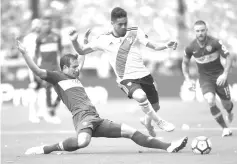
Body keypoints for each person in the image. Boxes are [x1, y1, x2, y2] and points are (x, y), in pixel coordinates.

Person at [16, 39, 188, 155]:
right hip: (82, 118)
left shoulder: (74, 77)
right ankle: (46, 149)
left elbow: (82, 58)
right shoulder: (57, 77)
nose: (77, 69)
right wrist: (25, 54)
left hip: (96, 119)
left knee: (131, 131)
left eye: (77, 66)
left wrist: (82, 44)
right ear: (64, 68)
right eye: (73, 67)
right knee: (83, 142)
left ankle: (169, 146)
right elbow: (38, 71)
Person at [70, 7, 178, 137]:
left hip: (144, 75)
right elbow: (81, 51)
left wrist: (166, 45)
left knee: (155, 107)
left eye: (125, 23)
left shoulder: (134, 31)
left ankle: (147, 123)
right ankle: (160, 122)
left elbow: (153, 46)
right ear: (112, 23)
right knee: (141, 97)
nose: (123, 26)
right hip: (125, 79)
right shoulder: (103, 39)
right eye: (119, 24)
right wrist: (74, 41)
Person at [182, 20, 234, 137]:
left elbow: (228, 57)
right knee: (210, 100)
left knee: (227, 105)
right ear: (194, 32)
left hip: (219, 76)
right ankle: (225, 128)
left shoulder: (215, 42)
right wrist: (188, 79)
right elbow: (184, 63)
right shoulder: (190, 47)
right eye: (198, 31)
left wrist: (225, 74)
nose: (200, 33)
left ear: (206, 30)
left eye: (202, 30)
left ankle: (230, 111)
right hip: (205, 78)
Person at [34, 16, 63, 124]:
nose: (47, 26)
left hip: (55, 66)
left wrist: (63, 65)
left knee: (62, 87)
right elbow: (36, 55)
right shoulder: (39, 38)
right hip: (44, 67)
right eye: (45, 24)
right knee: (47, 88)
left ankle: (54, 106)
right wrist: (36, 69)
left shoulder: (57, 36)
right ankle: (50, 110)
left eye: (48, 24)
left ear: (51, 25)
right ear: (42, 25)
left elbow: (61, 52)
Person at [23, 19, 42, 123]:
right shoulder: (28, 38)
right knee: (33, 90)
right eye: (35, 25)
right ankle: (32, 114)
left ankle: (40, 112)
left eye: (39, 24)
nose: (37, 26)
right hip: (33, 68)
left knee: (40, 91)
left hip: (42, 67)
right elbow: (27, 54)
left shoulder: (43, 37)